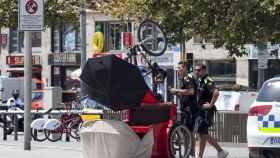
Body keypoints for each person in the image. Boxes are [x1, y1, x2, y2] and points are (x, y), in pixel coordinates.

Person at [194, 64, 229, 158]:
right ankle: (221, 151)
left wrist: (210, 105)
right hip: (201, 111)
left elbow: (216, 93)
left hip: (206, 112)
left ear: (204, 70)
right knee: (204, 134)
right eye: (195, 70)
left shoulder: (208, 80)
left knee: (202, 133)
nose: (196, 72)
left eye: (198, 70)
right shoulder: (200, 81)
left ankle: (200, 156)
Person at [169, 61, 198, 158]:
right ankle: (188, 153)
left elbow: (191, 91)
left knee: (189, 132)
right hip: (185, 109)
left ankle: (191, 154)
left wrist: (177, 90)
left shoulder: (188, 78)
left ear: (185, 68)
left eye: (180, 67)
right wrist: (176, 93)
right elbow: (185, 95)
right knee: (186, 133)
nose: (179, 70)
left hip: (190, 110)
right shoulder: (183, 79)